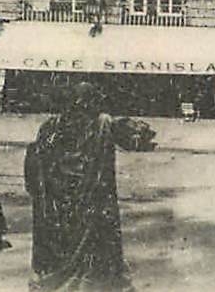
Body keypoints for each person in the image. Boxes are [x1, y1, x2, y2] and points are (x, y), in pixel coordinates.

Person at [25, 83, 155, 291]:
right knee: (95, 244)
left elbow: (34, 164)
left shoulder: (50, 126)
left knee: (63, 244)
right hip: (90, 201)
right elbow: (135, 134)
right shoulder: (102, 124)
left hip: (60, 203)